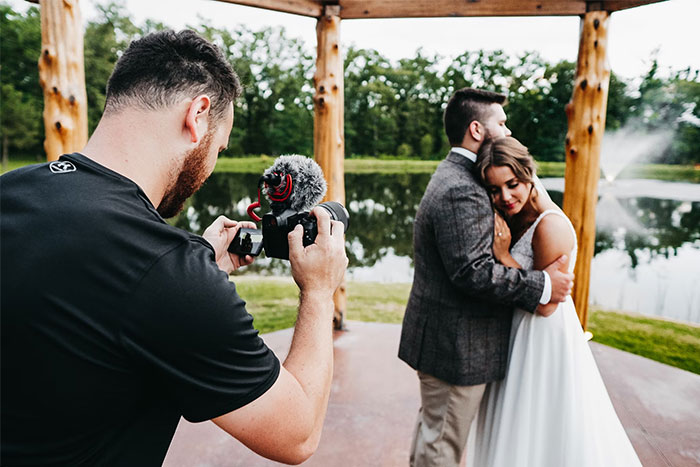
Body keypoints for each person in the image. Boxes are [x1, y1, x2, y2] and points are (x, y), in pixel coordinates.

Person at [0, 30, 347, 466]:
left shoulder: (11, 189)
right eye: (219, 148)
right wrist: (318, 291)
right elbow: (298, 435)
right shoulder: (165, 271)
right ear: (198, 115)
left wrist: (191, 274)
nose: (212, 164)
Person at [398, 88, 574, 467]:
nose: (508, 131)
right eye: (502, 123)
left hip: (448, 339)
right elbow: (472, 272)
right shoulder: (462, 188)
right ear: (478, 130)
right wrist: (543, 285)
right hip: (455, 345)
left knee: (434, 434)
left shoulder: (460, 175)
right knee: (441, 447)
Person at [466, 136, 642, 466]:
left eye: (512, 184)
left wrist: (503, 254)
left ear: (529, 174)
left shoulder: (550, 226)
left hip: (540, 339)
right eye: (494, 189)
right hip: (513, 333)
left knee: (538, 425)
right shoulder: (511, 217)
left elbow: (546, 304)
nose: (504, 197)